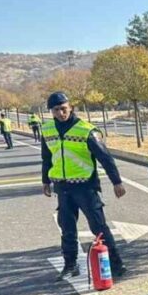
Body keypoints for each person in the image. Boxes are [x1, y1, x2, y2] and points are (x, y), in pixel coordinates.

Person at [40, 92, 127, 280]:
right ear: (51, 111)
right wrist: (45, 181)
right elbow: (46, 158)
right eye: (56, 110)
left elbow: (105, 157)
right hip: (62, 187)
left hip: (85, 187)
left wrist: (116, 182)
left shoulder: (86, 130)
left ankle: (116, 264)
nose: (61, 113)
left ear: (70, 107)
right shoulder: (47, 130)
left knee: (98, 226)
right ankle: (70, 265)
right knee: (67, 229)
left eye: (63, 108)